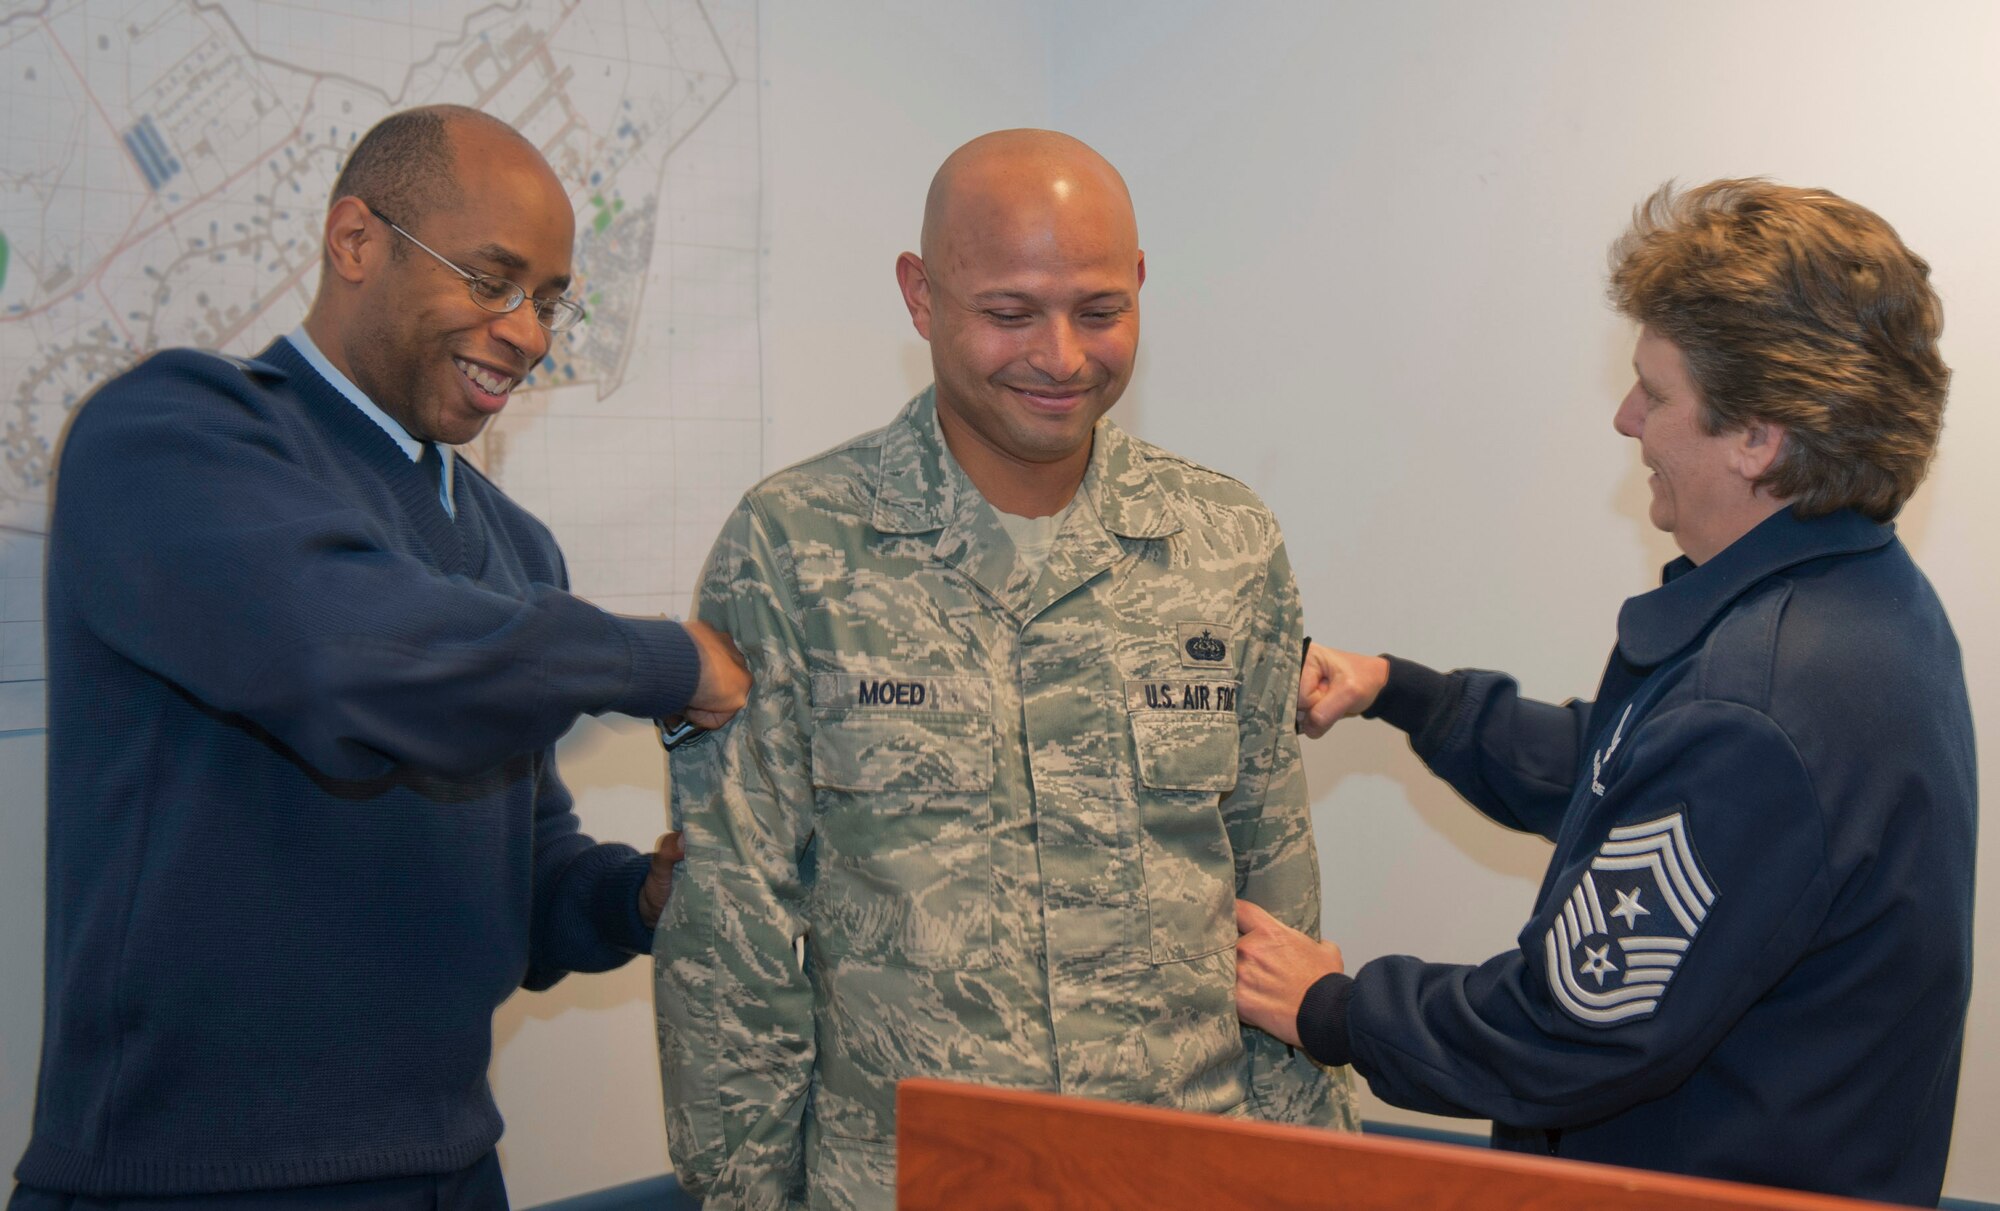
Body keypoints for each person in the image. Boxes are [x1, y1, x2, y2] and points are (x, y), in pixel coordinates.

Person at [11, 105, 748, 1210]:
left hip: (452, 1169)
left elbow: (524, 881)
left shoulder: (514, 545)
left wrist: (637, 896)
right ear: (355, 240)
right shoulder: (169, 434)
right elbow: (361, 661)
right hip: (190, 1181)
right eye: (492, 280)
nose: (530, 334)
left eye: (548, 301)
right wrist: (669, 660)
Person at [654, 129, 1353, 1210]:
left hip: (1180, 1168)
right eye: (1010, 312)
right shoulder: (795, 549)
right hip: (909, 1179)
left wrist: (1305, 1172)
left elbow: (1276, 899)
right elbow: (732, 928)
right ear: (920, 295)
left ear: (1138, 287)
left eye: (1098, 309)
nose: (1062, 356)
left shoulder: (1222, 541)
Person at [1237, 180, 1973, 1205]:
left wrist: (1331, 1006)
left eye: (1654, 392)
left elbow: (1562, 1025)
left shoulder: (1757, 708)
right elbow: (1623, 774)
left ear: (1758, 434)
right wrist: (1404, 694)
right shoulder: (1859, 601)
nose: (1625, 420)